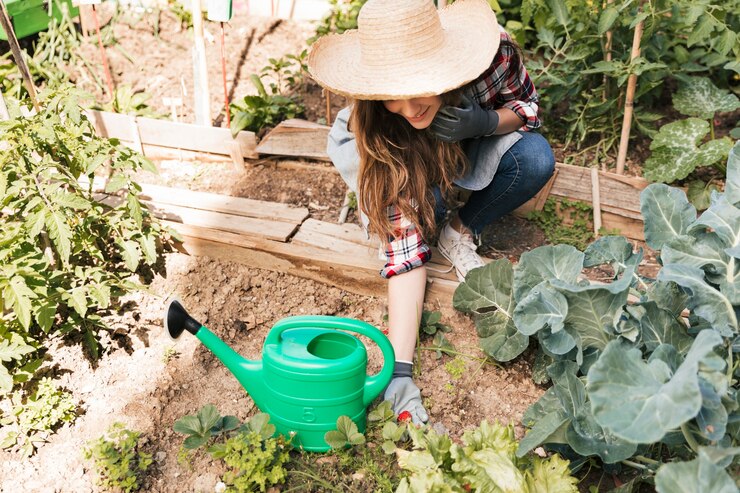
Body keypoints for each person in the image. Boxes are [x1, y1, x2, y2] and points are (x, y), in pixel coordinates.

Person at [307, 0, 555, 424]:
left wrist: (483, 123)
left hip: (465, 129)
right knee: (417, 211)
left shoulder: (491, 55)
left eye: (418, 89)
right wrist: (399, 370)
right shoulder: (380, 125)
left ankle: (459, 228)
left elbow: (527, 108)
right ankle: (420, 201)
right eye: (393, 97)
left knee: (534, 159)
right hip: (397, 152)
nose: (409, 107)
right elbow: (404, 251)